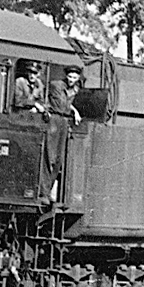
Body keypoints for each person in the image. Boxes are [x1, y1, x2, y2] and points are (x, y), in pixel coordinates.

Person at [42, 64, 82, 204]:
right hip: (55, 118)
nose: (71, 79)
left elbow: (67, 104)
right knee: (50, 157)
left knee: (59, 160)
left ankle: (48, 191)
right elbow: (47, 96)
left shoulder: (75, 90)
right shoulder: (56, 85)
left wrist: (75, 111)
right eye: (70, 77)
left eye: (74, 77)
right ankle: (43, 193)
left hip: (64, 121)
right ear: (66, 76)